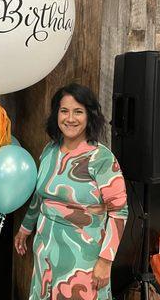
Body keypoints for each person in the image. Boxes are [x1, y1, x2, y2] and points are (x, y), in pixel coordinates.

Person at [14, 83, 128, 300]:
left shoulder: (101, 158)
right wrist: (25, 228)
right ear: (56, 113)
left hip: (84, 258)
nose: (70, 118)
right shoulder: (49, 150)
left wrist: (105, 261)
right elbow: (40, 195)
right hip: (45, 250)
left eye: (78, 112)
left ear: (89, 116)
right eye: (64, 111)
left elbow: (119, 212)